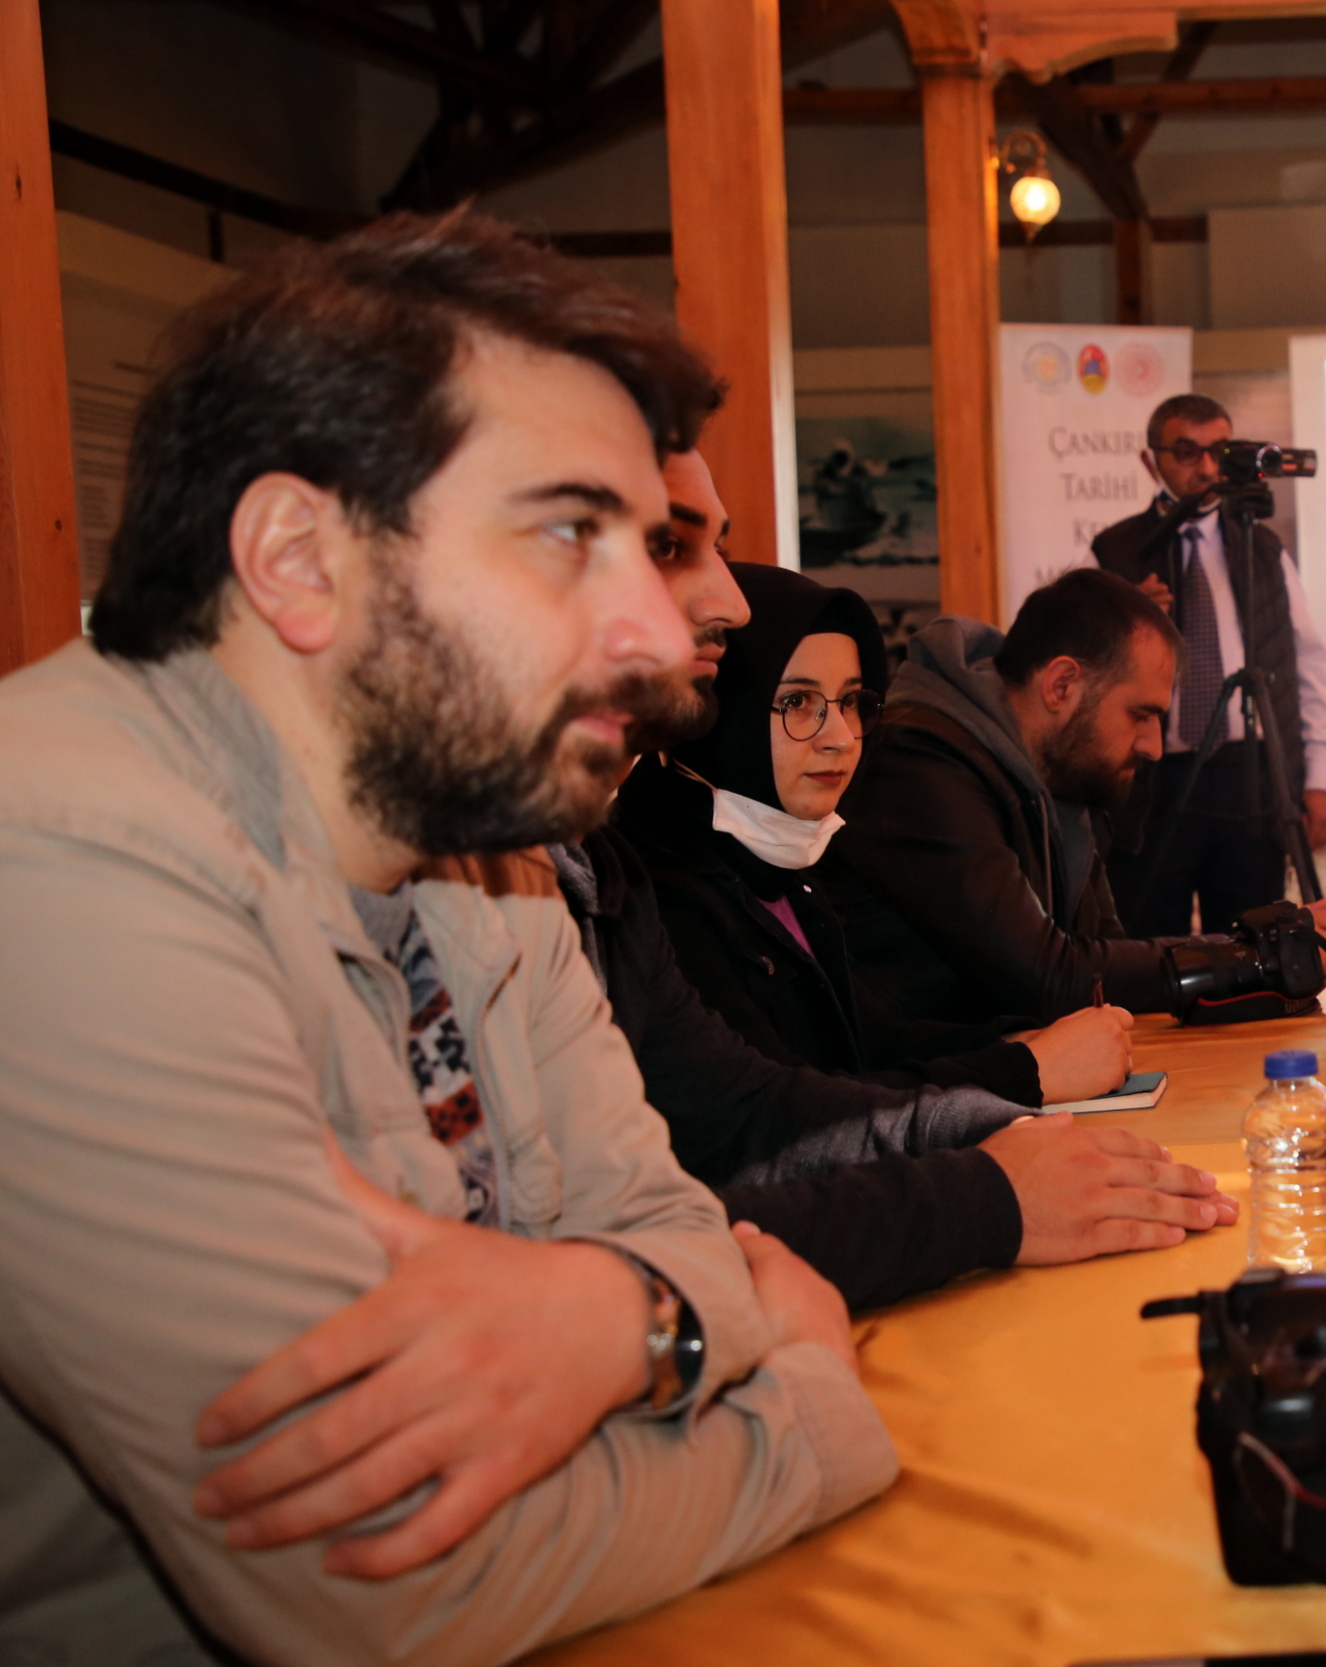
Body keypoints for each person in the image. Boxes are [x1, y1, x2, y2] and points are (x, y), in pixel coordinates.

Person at [0, 212, 891, 1665]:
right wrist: (805, 1398)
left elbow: (674, 1223)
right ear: (298, 558)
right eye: (571, 535)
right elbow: (387, 1576)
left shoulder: (484, 846)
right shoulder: (57, 867)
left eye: (652, 547)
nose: (664, 638)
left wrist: (621, 1309)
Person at [548, 451, 1229, 1309]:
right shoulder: (670, 867)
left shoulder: (630, 869)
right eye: (671, 547)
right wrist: (1006, 1135)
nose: (839, 737)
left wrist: (1010, 1113)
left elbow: (771, 1101)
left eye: (849, 703)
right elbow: (686, 1194)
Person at [613, 556, 1131, 1103]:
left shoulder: (784, 870)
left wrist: (1020, 1043)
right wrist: (1026, 1070)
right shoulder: (658, 890)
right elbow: (777, 1113)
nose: (841, 737)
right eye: (797, 702)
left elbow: (869, 1042)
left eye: (850, 702)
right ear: (721, 708)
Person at [825, 567, 1326, 1027]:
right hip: (921, 1090)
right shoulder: (918, 763)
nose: (1154, 747)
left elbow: (1107, 959)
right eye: (1140, 715)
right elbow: (1048, 977)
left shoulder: (1061, 771)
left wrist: (1263, 960)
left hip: (1009, 1069)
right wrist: (1254, 956)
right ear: (1061, 685)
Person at [1091, 393, 1326, 936]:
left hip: (1249, 776)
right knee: (1147, 937)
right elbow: (1081, 668)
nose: (1206, 467)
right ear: (1151, 460)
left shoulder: (1264, 548)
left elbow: (1309, 664)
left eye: (1220, 451)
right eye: (1187, 452)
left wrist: (1319, 778)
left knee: (1257, 941)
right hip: (1150, 780)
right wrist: (1123, 617)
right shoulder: (1114, 551)